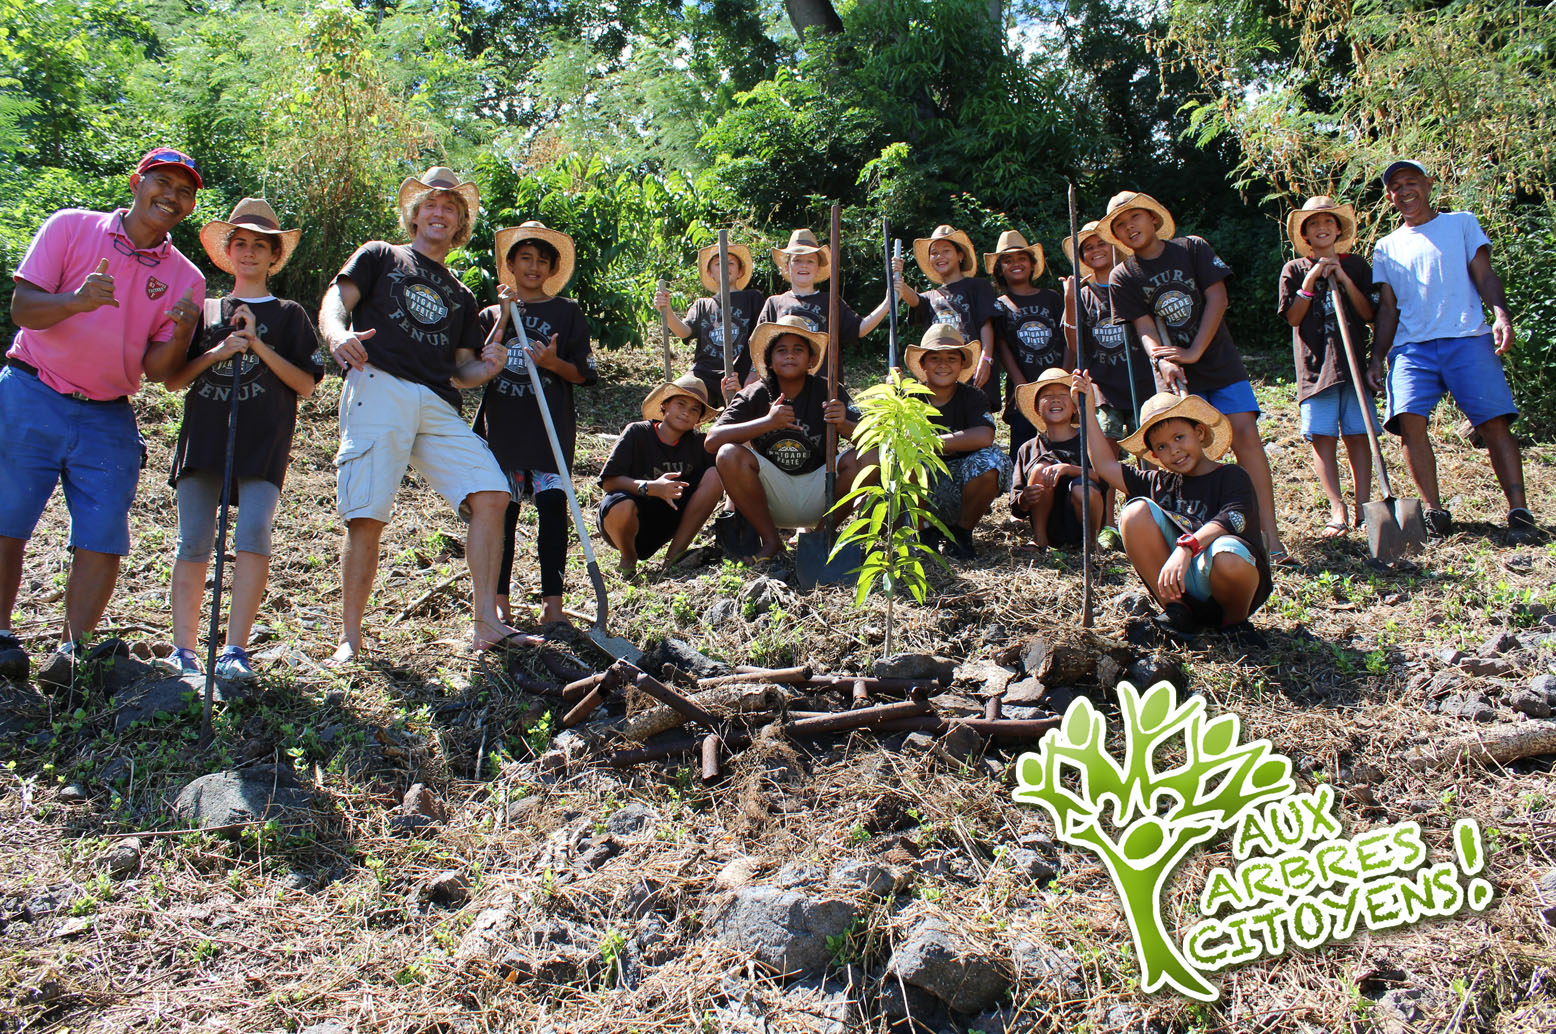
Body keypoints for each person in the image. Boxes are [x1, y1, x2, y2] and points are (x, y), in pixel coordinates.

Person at [0, 147, 206, 687]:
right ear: (136, 182)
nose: (173, 197)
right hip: (31, 390)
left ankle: (73, 652)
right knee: (7, 518)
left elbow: (160, 371)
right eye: (163, 183)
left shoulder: (186, 278)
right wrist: (76, 300)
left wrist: (183, 333)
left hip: (107, 414)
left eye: (185, 191)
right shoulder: (70, 228)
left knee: (104, 533)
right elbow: (23, 310)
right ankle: (1, 636)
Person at [318, 166, 526, 664]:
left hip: (436, 401)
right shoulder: (381, 256)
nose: (440, 212)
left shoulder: (461, 294)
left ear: (459, 226)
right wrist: (336, 334)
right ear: (414, 216)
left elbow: (461, 371)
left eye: (451, 207)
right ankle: (350, 637)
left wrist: (489, 364)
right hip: (378, 382)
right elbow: (335, 300)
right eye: (431, 204)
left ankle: (486, 624)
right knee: (367, 513)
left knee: (493, 494)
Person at [165, 198, 323, 681]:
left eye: (261, 245)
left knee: (253, 536)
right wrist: (218, 351)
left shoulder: (290, 314)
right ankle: (183, 650)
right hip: (205, 439)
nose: (250, 252)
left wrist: (257, 343)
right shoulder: (205, 308)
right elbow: (174, 379)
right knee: (192, 541)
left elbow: (307, 383)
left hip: (263, 442)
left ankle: (235, 650)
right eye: (241, 243)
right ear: (228, 252)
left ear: (274, 256)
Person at [1102, 191, 1292, 565]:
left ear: (1153, 219)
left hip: (1219, 363)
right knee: (1176, 450)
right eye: (1121, 225)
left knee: (1246, 438)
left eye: (1134, 218)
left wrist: (1193, 352)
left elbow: (1217, 300)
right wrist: (1162, 360)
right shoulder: (1124, 276)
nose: (1129, 227)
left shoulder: (1192, 249)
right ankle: (1187, 532)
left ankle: (1268, 536)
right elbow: (1143, 327)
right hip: (1173, 372)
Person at [1369, 159, 1532, 538]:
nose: (1404, 191)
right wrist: (1377, 355)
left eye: (1411, 182)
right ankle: (1434, 512)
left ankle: (1519, 509)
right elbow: (1388, 308)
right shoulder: (1386, 246)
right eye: (1396, 187)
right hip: (1412, 348)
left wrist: (1501, 316)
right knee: (1409, 422)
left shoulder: (1461, 223)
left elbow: (1485, 276)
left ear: (1428, 184)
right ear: (1390, 196)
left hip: (1467, 338)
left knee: (1492, 422)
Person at [1073, 373, 1272, 646]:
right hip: (1180, 582)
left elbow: (1232, 519)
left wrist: (1187, 547)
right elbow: (1106, 467)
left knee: (1228, 551)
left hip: (1229, 578)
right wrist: (1086, 411)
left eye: (1180, 437)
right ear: (1154, 456)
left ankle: (1234, 624)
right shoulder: (1158, 482)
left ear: (1199, 433)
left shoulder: (1232, 476)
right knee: (1134, 511)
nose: (1174, 451)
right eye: (1163, 446)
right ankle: (1179, 612)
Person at [473, 221, 597, 630]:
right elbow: (477, 364)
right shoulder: (491, 313)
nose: (533, 266)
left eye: (542, 260)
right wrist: (505, 316)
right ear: (509, 264)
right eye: (525, 258)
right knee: (501, 515)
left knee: (552, 512)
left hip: (550, 432)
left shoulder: (566, 312)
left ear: (551, 269)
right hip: (504, 431)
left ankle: (552, 604)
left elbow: (584, 373)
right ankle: (499, 601)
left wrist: (551, 363)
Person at [706, 315, 870, 560]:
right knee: (728, 454)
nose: (790, 355)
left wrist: (843, 424)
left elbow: (872, 441)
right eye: (781, 350)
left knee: (873, 457)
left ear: (811, 359)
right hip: (770, 496)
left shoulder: (830, 390)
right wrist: (768, 422)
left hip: (822, 492)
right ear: (769, 361)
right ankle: (772, 542)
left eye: (798, 350)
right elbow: (712, 441)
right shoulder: (754, 394)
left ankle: (820, 538)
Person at [1278, 196, 1377, 540]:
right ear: (1305, 234)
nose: (1322, 228)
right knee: (1322, 437)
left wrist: (1343, 278)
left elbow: (1368, 314)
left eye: (1328, 223)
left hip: (1353, 366)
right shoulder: (1294, 270)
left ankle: (1365, 506)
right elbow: (1292, 317)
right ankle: (1338, 507)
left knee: (1357, 434)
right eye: (1314, 224)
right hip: (1315, 368)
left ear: (1338, 229)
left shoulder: (1359, 267)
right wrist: (1312, 280)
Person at [598, 375, 725, 577]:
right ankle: (628, 558)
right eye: (680, 404)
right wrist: (650, 487)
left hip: (668, 520)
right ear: (664, 406)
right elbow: (609, 481)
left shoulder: (700, 444)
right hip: (628, 519)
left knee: (715, 474)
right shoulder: (637, 433)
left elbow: (731, 454)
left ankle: (673, 558)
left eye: (694, 409)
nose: (686, 412)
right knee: (620, 505)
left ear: (699, 419)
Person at [905, 325, 1013, 559]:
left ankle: (961, 533)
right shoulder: (908, 397)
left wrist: (930, 442)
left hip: (960, 488)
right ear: (923, 364)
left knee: (993, 460)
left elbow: (985, 436)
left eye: (951, 358)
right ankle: (923, 532)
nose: (943, 364)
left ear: (962, 364)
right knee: (906, 459)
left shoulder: (973, 396)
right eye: (934, 358)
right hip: (918, 495)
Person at [892, 224, 1002, 414]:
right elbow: (908, 295)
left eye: (946, 251)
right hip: (942, 372)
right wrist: (897, 274)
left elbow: (986, 323)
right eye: (934, 253)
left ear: (960, 255)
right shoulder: (930, 296)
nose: (940, 256)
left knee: (976, 413)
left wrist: (986, 357)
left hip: (971, 365)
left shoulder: (977, 286)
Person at [985, 230, 1065, 457]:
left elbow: (1067, 337)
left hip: (1057, 383)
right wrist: (1023, 388)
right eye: (1008, 260)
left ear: (1032, 264)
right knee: (1024, 449)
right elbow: (1002, 347)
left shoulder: (1051, 298)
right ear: (999, 269)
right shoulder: (999, 304)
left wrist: (1065, 376)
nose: (1015, 264)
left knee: (1062, 444)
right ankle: (1021, 491)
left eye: (1022, 258)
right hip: (1021, 387)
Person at [1010, 368, 1104, 552]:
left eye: (1063, 394)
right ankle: (1040, 540)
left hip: (1082, 516)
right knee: (1039, 470)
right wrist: (1025, 499)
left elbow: (1104, 479)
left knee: (1082, 488)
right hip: (1050, 522)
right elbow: (1017, 502)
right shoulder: (1028, 448)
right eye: (1047, 395)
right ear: (1036, 408)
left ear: (1075, 405)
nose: (1055, 400)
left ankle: (1091, 543)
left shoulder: (1089, 442)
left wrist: (1069, 469)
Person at [652, 242, 759, 402]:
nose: (724, 267)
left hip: (738, 372)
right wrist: (666, 310)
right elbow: (684, 332)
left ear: (740, 271)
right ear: (710, 273)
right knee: (680, 396)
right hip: (704, 372)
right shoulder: (702, 304)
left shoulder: (752, 298)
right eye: (718, 264)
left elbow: (761, 337)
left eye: (730, 262)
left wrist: (754, 372)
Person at [758, 228, 892, 347]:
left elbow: (859, 329)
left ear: (818, 268)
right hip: (784, 376)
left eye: (810, 261)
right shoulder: (773, 303)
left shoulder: (830, 301)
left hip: (825, 376)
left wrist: (887, 302)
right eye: (797, 260)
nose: (804, 265)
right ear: (787, 267)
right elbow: (759, 344)